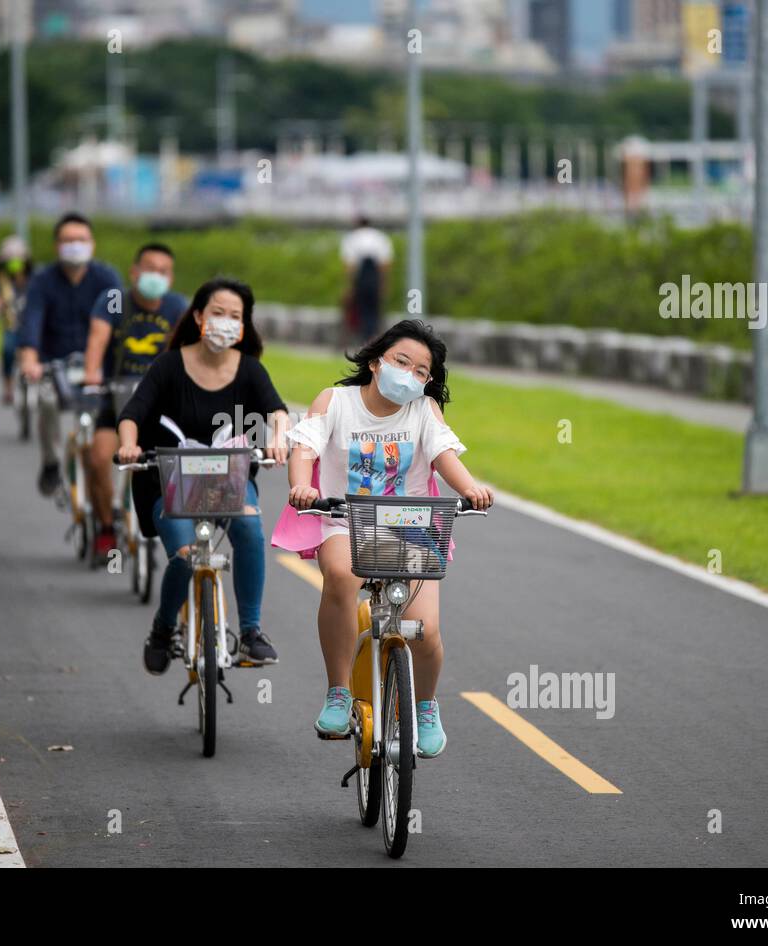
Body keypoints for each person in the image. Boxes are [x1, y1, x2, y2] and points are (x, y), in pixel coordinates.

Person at [274, 319, 494, 759]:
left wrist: (469, 488)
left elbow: (443, 454)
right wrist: (302, 485)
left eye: (421, 371)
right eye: (402, 361)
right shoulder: (335, 401)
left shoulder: (424, 410)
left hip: (411, 525)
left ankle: (426, 707)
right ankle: (339, 691)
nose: (410, 374)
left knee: (425, 631)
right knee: (339, 576)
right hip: (346, 520)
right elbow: (305, 449)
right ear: (376, 362)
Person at [117, 278, 291, 674]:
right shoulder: (168, 365)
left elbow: (276, 411)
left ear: (244, 327)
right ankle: (163, 628)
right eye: (218, 313)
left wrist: (279, 438)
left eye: (236, 317)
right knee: (183, 559)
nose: (226, 322)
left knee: (249, 530)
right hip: (168, 482)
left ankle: (251, 632)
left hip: (229, 480)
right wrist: (129, 445)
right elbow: (132, 414)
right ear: (198, 316)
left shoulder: (249, 370)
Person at [82, 242, 186, 562]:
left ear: (170, 277)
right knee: (99, 457)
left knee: (177, 465)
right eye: (150, 268)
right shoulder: (113, 301)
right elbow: (98, 340)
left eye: (163, 271)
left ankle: (165, 529)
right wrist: (90, 375)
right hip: (114, 400)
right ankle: (105, 526)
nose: (156, 275)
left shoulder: (178, 308)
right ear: (134, 271)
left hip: (162, 407)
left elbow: (190, 351)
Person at [16, 213, 123, 497]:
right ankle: (51, 462)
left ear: (92, 244)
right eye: (68, 240)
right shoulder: (42, 281)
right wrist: (30, 360)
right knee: (46, 398)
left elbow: (121, 322)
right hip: (56, 365)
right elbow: (32, 322)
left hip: (100, 367)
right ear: (56, 246)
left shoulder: (107, 278)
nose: (75, 245)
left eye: (81, 240)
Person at [0, 235, 32, 406]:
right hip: (11, 325)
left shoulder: (34, 278)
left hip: (32, 325)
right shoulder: (0, 280)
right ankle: (8, 389)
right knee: (7, 350)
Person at [340, 215, 393, 346]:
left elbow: (350, 266)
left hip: (361, 276)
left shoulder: (352, 238)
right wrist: (383, 283)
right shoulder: (380, 238)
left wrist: (350, 286)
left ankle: (365, 339)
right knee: (374, 310)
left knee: (362, 309)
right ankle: (373, 338)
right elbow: (385, 265)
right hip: (375, 276)